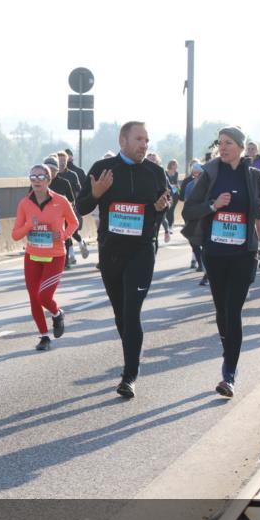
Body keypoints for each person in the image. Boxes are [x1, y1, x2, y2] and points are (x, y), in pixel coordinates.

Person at [76, 121, 171, 398]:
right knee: (121, 315)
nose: (144, 144)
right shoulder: (102, 169)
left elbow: (162, 207)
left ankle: (129, 375)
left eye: (147, 140)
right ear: (123, 141)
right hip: (111, 252)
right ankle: (131, 353)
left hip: (141, 251)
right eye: (139, 139)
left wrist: (158, 208)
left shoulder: (155, 172)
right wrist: (96, 194)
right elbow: (82, 207)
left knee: (132, 313)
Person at [183, 127, 260, 397]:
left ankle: (229, 373)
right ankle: (230, 353)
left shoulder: (253, 174)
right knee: (221, 311)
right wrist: (213, 206)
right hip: (214, 254)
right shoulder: (211, 172)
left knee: (233, 310)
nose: (223, 148)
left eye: (228, 143)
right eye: (220, 143)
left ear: (239, 146)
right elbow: (190, 209)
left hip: (243, 254)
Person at [12, 164, 79, 350]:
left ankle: (57, 314)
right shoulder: (25, 203)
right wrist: (28, 226)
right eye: (33, 177)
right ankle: (44, 337)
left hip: (55, 256)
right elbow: (16, 235)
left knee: (44, 295)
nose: (36, 180)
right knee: (34, 297)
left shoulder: (61, 201)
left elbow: (74, 223)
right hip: (33, 256)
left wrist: (64, 236)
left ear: (49, 180)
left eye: (41, 177)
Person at [56, 150, 89, 263]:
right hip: (56, 209)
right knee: (63, 231)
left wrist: (76, 203)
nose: (61, 163)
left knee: (72, 231)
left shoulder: (72, 174)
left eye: (64, 161)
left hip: (71, 206)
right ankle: (71, 255)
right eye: (60, 161)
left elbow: (79, 190)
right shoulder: (53, 176)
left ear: (67, 161)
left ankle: (80, 243)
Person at [180, 160, 205, 272]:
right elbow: (186, 201)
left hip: (204, 216)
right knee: (192, 240)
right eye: (194, 173)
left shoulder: (207, 185)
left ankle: (206, 264)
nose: (196, 175)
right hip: (192, 217)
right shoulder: (189, 185)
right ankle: (200, 262)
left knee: (205, 241)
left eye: (199, 173)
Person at [165, 159, 180, 230]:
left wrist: (176, 187)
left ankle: (171, 225)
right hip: (168, 193)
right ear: (171, 165)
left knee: (172, 209)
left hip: (175, 193)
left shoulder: (176, 173)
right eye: (175, 165)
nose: (176, 166)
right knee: (168, 209)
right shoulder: (165, 173)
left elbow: (176, 184)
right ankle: (168, 225)